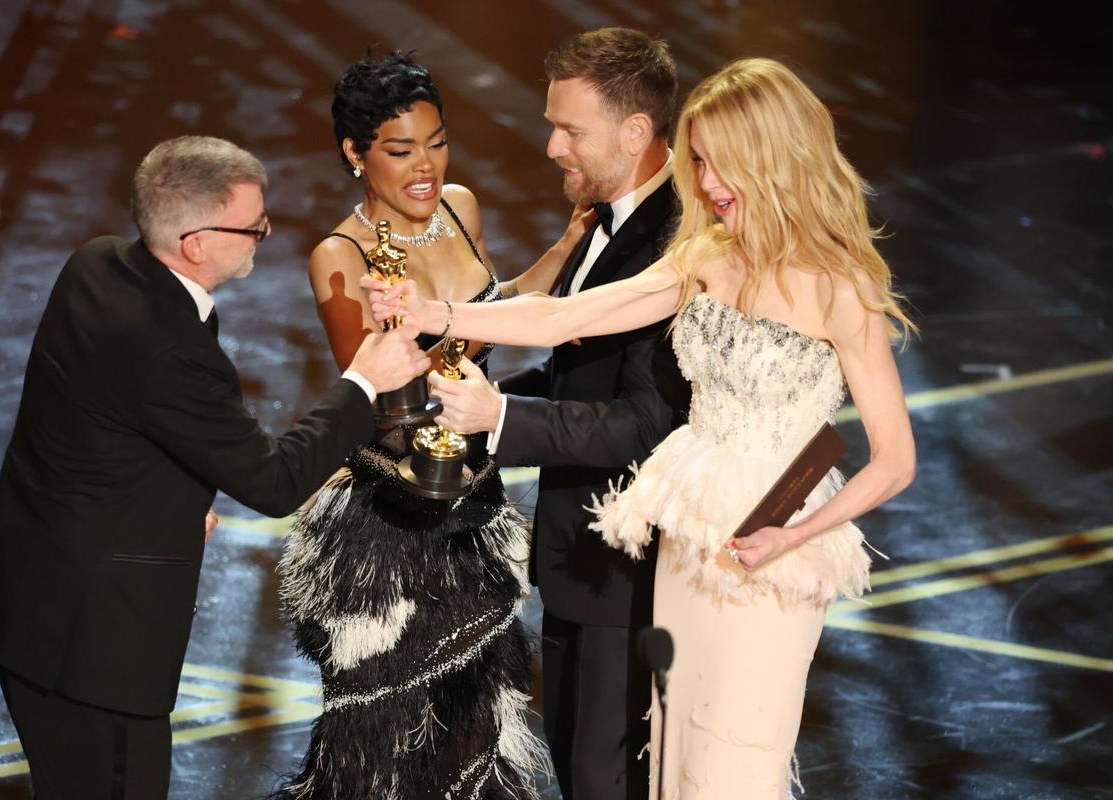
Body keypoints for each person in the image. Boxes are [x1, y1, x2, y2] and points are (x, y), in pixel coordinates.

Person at [367, 57, 918, 800]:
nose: (708, 183)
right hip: (689, 533)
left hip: (774, 551)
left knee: (734, 762)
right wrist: (435, 314)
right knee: (673, 757)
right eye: (700, 161)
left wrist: (792, 534)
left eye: (723, 163)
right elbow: (563, 319)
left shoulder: (842, 288)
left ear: (774, 156)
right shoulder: (706, 256)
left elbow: (893, 459)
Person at [0, 135, 427, 800]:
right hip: (93, 649)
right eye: (253, 226)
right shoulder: (170, 348)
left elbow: (98, 418)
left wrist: (177, 497)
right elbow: (274, 481)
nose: (266, 234)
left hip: (28, 600)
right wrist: (363, 382)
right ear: (195, 243)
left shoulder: (95, 264)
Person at [270, 53, 583, 799]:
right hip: (395, 525)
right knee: (390, 749)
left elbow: (496, 308)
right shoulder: (340, 256)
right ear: (355, 153)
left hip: (473, 504)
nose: (426, 167)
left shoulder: (461, 208)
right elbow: (385, 394)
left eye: (437, 143)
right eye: (400, 150)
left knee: (476, 733)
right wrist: (420, 325)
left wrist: (570, 244)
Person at [425, 28, 689, 800]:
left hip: (633, 570)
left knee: (606, 779)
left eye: (571, 129)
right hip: (583, 564)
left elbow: (646, 424)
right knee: (578, 770)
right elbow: (581, 372)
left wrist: (501, 419)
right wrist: (464, 409)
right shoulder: (605, 218)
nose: (550, 147)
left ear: (634, 132)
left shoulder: (676, 241)